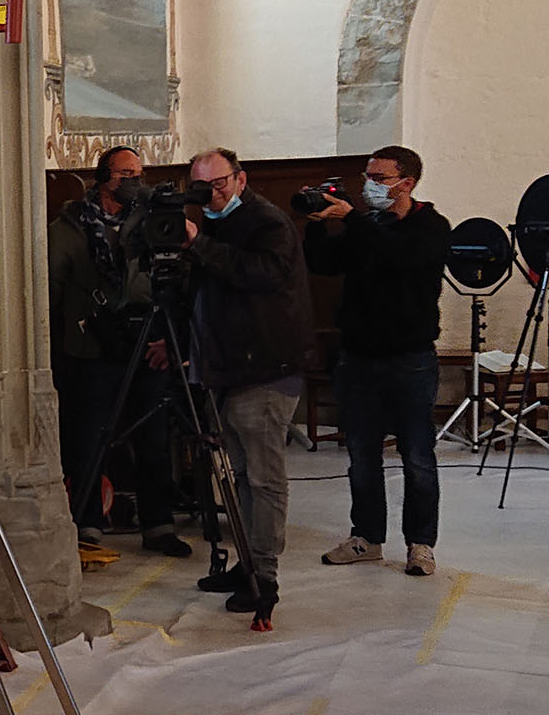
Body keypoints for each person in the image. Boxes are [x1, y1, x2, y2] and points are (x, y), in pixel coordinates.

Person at [304, 146, 449, 577]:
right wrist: (316, 225)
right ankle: (366, 536)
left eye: (380, 178)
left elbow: (399, 256)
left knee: (417, 456)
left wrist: (352, 219)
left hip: (411, 358)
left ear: (408, 182)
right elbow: (324, 265)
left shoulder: (431, 226)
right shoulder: (367, 226)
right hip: (359, 357)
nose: (370, 185)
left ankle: (420, 544)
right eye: (368, 175)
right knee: (362, 455)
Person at [179, 148, 312, 615]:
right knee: (240, 477)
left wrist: (198, 244)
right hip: (227, 369)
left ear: (240, 179)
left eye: (219, 184)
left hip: (265, 367)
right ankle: (247, 561)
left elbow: (261, 274)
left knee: (264, 476)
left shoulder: (266, 222)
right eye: (203, 187)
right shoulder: (214, 224)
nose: (211, 194)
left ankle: (266, 574)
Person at [48, 146, 191, 557]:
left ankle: (158, 524)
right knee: (90, 435)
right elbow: (54, 288)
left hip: (146, 340)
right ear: (103, 177)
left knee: (154, 434)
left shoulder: (150, 223)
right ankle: (89, 520)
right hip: (91, 345)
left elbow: (174, 280)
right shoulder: (71, 225)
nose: (134, 182)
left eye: (138, 173)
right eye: (125, 173)